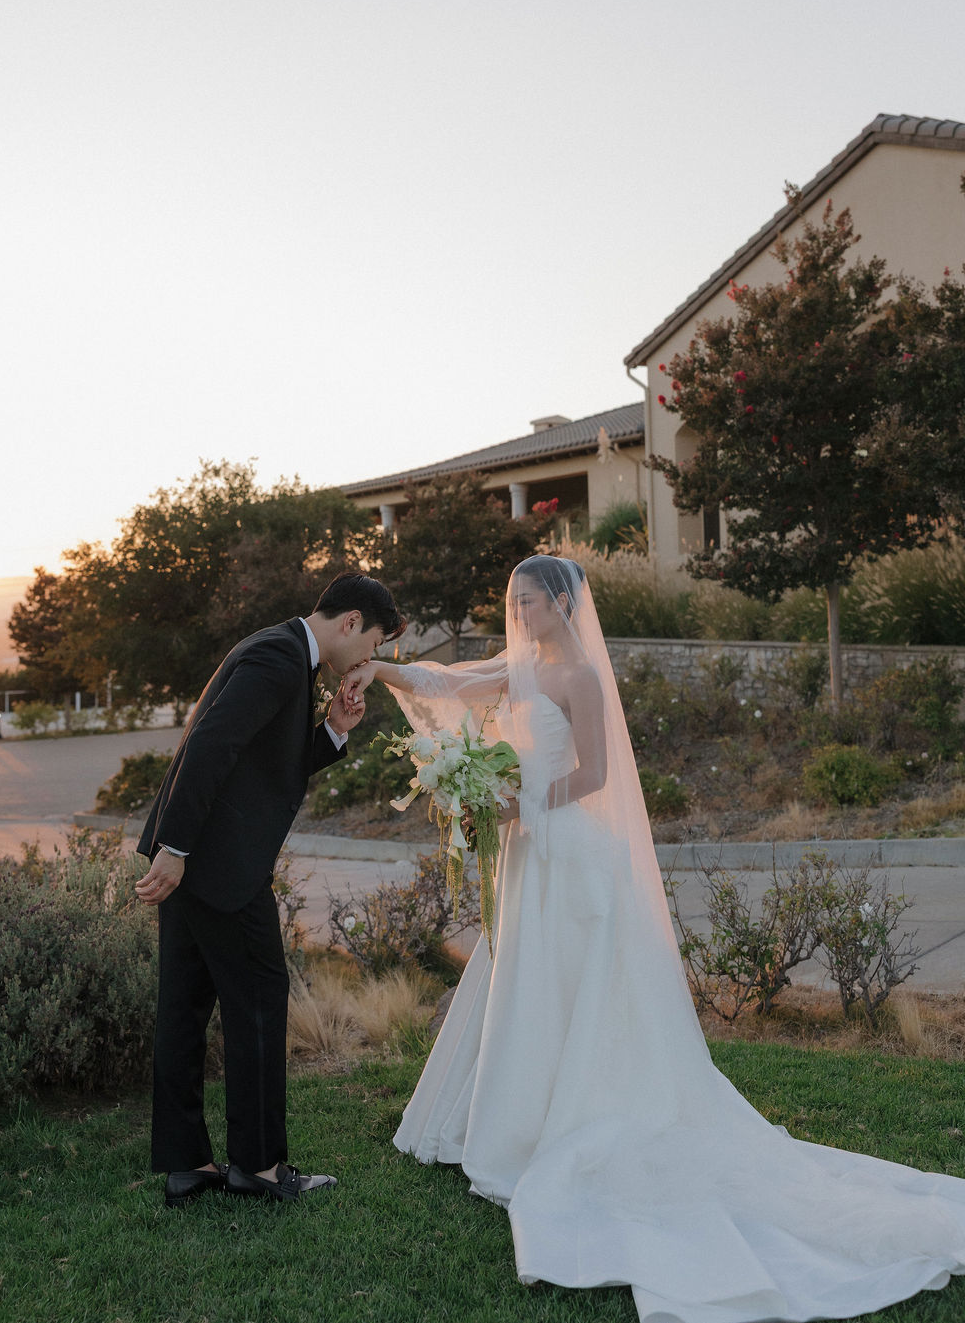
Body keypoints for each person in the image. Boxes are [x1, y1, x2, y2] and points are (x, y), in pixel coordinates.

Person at [345, 555, 965, 1323]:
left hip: (565, 843)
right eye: (514, 600)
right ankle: (511, 1113)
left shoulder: (579, 676)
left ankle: (573, 1115)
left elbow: (598, 773)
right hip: (529, 846)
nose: (520, 611)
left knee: (571, 980)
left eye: (530, 601)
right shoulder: (521, 665)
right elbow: (448, 684)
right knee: (524, 977)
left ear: (564, 602)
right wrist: (383, 671)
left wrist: (520, 804)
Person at [136, 572, 404, 1208]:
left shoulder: (282, 652)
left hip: (199, 860)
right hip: (217, 867)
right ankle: (256, 1169)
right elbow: (209, 746)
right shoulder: (280, 659)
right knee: (259, 1000)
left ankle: (189, 1166)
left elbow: (262, 767)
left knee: (184, 1007)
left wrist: (334, 730)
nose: (370, 659)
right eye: (373, 644)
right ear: (349, 623)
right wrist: (176, 849)